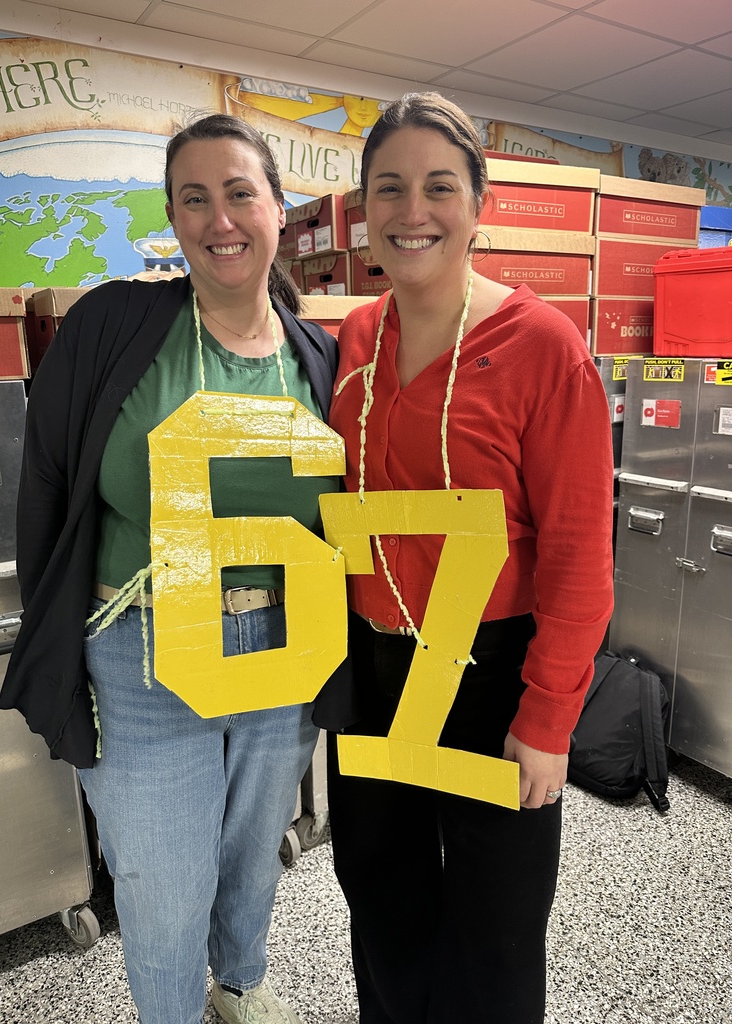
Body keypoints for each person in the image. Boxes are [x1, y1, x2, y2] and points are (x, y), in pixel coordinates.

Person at [0, 113, 352, 1024]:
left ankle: (238, 985)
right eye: (193, 198)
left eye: (240, 193)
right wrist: (56, 651)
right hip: (142, 652)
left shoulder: (320, 356)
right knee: (162, 882)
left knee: (250, 854)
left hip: (281, 647)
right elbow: (45, 485)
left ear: (279, 207)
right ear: (172, 216)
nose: (219, 218)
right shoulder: (115, 327)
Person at [327, 92, 614, 1024]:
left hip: (494, 673)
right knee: (382, 901)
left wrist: (549, 718)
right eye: (391, 188)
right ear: (365, 210)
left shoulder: (542, 347)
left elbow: (579, 553)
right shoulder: (358, 339)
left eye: (439, 187)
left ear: (477, 204)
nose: (414, 211)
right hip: (373, 669)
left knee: (496, 926)